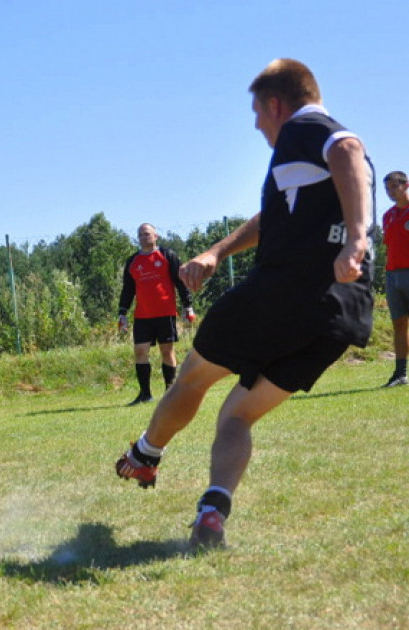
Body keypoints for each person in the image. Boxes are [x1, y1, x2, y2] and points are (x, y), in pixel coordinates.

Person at [114, 58, 374, 549]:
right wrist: (216, 252)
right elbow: (274, 214)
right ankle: (212, 513)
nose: (256, 125)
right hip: (341, 316)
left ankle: (146, 455)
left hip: (285, 294)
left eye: (258, 112)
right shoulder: (302, 166)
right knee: (236, 415)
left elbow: (349, 149)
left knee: (192, 377)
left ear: (276, 104)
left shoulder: (307, 127)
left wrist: (356, 239)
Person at [117, 223, 197, 405]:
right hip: (142, 316)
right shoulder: (133, 261)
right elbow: (128, 289)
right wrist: (122, 313)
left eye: (147, 234)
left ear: (156, 236)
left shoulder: (168, 256)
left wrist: (188, 306)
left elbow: (180, 282)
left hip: (165, 312)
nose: (144, 237)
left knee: (167, 351)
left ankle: (170, 394)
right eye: (140, 235)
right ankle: (145, 394)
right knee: (140, 351)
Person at [381, 170, 409, 387]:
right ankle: (400, 374)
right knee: (399, 324)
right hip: (392, 275)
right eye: (387, 188)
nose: (390, 192)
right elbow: (389, 245)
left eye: (394, 187)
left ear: (405, 185)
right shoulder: (388, 215)